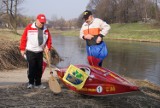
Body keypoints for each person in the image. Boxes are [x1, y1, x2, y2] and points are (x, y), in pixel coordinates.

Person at [20, 14, 52, 89]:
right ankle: (31, 83)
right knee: (31, 67)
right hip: (30, 51)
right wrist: (22, 49)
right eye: (41, 22)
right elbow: (23, 39)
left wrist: (48, 47)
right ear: (36, 20)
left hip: (40, 52)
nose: (42, 23)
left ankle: (38, 83)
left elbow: (49, 40)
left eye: (43, 22)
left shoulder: (46, 29)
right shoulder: (29, 27)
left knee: (39, 68)